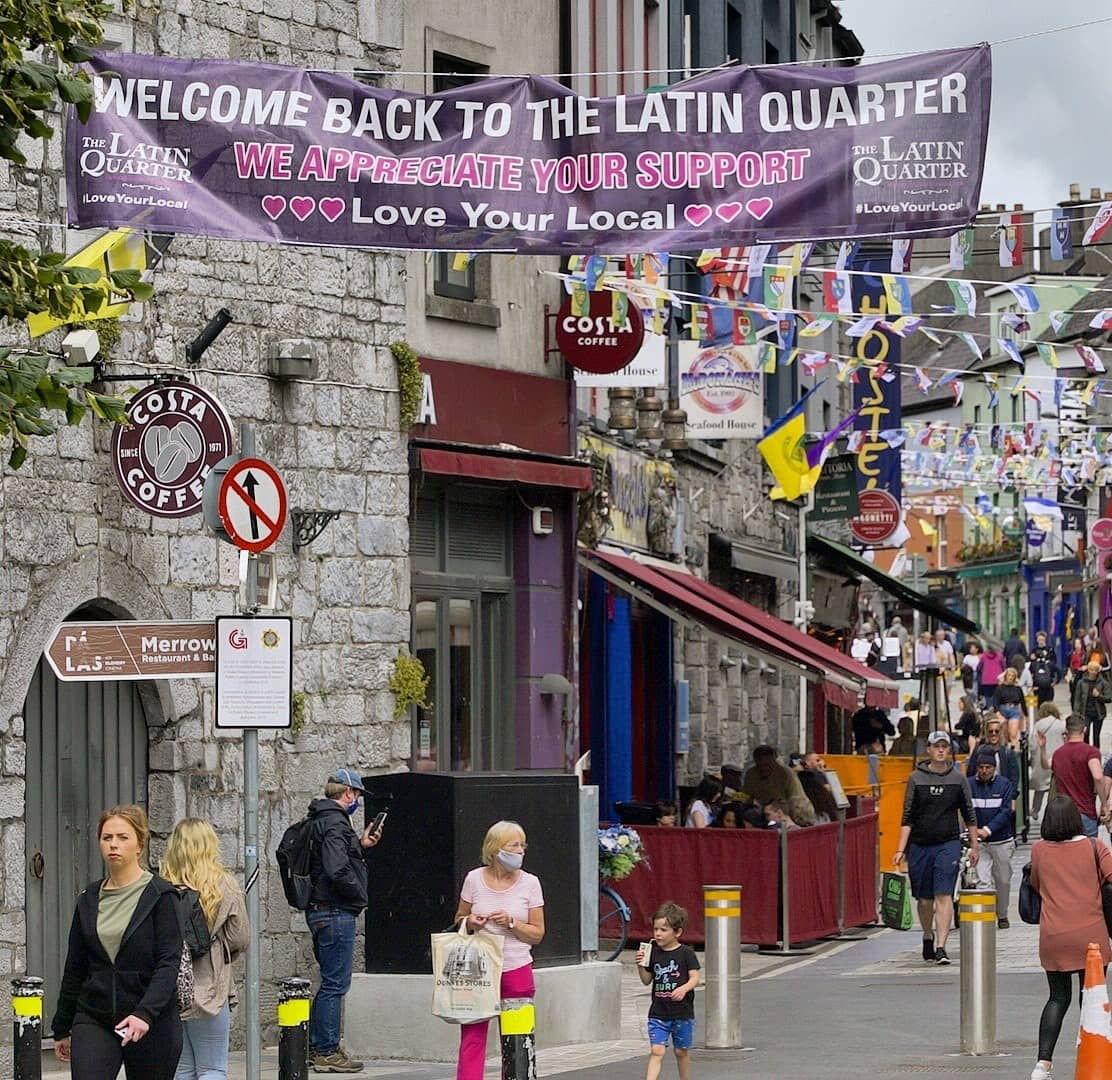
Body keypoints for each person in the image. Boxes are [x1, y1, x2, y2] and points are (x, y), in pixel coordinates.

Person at [51, 804, 183, 1080]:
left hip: (150, 1019)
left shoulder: (161, 896)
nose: (113, 844)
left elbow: (168, 963)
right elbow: (75, 966)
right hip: (95, 1015)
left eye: (123, 837)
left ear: (140, 845)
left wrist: (145, 1013)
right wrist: (61, 1026)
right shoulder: (88, 898)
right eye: (107, 837)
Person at [1028, 795, 1112, 1080]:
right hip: (1092, 936)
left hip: (1054, 936)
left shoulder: (1039, 850)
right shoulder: (1094, 846)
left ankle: (1042, 1064)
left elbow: (1036, 884)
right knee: (1091, 997)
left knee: (1057, 997)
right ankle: (1093, 1053)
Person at [305, 768, 384, 1073]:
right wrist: (358, 894)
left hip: (321, 910)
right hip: (335, 910)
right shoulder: (336, 823)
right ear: (348, 793)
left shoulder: (319, 818)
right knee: (335, 983)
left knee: (330, 980)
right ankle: (325, 1050)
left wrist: (360, 846)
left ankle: (318, 1046)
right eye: (358, 795)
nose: (358, 801)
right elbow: (336, 868)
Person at [454, 820, 544, 1080]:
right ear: (495, 849)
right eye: (514, 845)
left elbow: (537, 933)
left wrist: (513, 923)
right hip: (477, 971)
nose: (521, 851)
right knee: (472, 1037)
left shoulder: (530, 883)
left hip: (516, 969)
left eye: (523, 845)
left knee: (517, 1040)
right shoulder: (474, 879)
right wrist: (470, 922)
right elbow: (459, 918)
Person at [161, 818, 250, 1080]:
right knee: (212, 1068)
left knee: (183, 1069)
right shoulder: (224, 885)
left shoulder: (161, 887)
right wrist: (219, 949)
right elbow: (240, 938)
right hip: (211, 986)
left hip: (171, 988)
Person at [893, 730, 978, 966]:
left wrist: (974, 845)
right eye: (936, 746)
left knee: (944, 893)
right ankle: (927, 935)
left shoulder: (958, 778)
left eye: (944, 746)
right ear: (928, 749)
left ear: (949, 750)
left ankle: (941, 946)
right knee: (924, 899)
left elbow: (969, 814)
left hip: (948, 843)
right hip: (920, 844)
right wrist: (900, 849)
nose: (941, 750)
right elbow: (907, 816)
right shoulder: (915, 778)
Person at [638, 902, 700, 1080]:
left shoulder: (686, 953)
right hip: (658, 1013)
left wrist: (684, 988)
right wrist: (641, 965)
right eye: (655, 929)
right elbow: (646, 980)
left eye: (663, 930)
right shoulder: (653, 953)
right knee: (657, 1050)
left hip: (682, 1012)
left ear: (677, 932)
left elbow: (695, 978)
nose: (658, 933)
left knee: (681, 1051)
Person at [967, 745, 1017, 928]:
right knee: (983, 880)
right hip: (980, 843)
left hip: (1001, 841)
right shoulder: (969, 785)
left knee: (1003, 880)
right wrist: (974, 832)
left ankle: (1002, 914)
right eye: (981, 767)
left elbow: (1005, 812)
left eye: (988, 767)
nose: (984, 771)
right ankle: (985, 919)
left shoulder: (1004, 785)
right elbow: (966, 810)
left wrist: (987, 830)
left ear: (994, 768)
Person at [1050, 715, 1106, 838]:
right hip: (1085, 810)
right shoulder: (1091, 752)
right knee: (1089, 847)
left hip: (1063, 814)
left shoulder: (1058, 754)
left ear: (1066, 731)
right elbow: (1097, 776)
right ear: (1084, 730)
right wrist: (1104, 804)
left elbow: (1048, 766)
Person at [737, 746, 816, 825]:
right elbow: (746, 796)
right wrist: (736, 797)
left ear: (774, 760)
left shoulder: (785, 774)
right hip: (762, 810)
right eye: (759, 764)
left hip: (783, 811)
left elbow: (796, 799)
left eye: (767, 764)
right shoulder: (751, 774)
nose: (763, 768)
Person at [1032, 703, 1067, 821]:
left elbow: (1032, 743)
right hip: (1058, 759)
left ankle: (1035, 810)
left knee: (1040, 789)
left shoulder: (1039, 725)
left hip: (1042, 758)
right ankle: (1054, 811)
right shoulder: (1061, 724)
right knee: (1056, 787)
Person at [965, 716, 1020, 789]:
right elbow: (970, 773)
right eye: (991, 731)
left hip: (1003, 792)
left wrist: (1010, 794)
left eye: (997, 731)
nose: (994, 734)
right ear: (986, 733)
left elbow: (1014, 778)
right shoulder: (978, 751)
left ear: (1001, 732)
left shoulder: (1008, 753)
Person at [1071, 659, 1112, 748]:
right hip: (1085, 713)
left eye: (1095, 670)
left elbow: (1109, 698)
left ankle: (1096, 752)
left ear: (1098, 671)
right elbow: (1077, 699)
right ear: (1088, 670)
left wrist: (1098, 696)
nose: (1093, 672)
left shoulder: (1103, 683)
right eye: (1091, 670)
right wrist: (1076, 713)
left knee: (1096, 736)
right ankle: (1086, 752)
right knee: (1085, 734)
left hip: (1098, 713)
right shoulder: (1081, 683)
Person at [993, 667, 1026, 747]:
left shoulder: (1018, 689)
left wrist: (1025, 715)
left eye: (1012, 676)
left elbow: (1023, 702)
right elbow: (995, 701)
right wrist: (997, 713)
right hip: (1002, 710)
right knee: (1004, 735)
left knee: (1013, 734)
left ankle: (1013, 750)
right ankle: (1004, 750)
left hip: (1014, 711)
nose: (1010, 677)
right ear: (1006, 676)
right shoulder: (999, 688)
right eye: (1009, 675)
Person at [1029, 632, 1060, 707]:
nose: (1041, 641)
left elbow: (1055, 663)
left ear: (1045, 640)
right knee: (1037, 704)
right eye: (1039, 640)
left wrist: (1055, 682)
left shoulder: (1050, 649)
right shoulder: (1034, 650)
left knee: (1048, 703)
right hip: (1037, 682)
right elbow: (1029, 667)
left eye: (1042, 639)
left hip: (1048, 680)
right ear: (1037, 640)